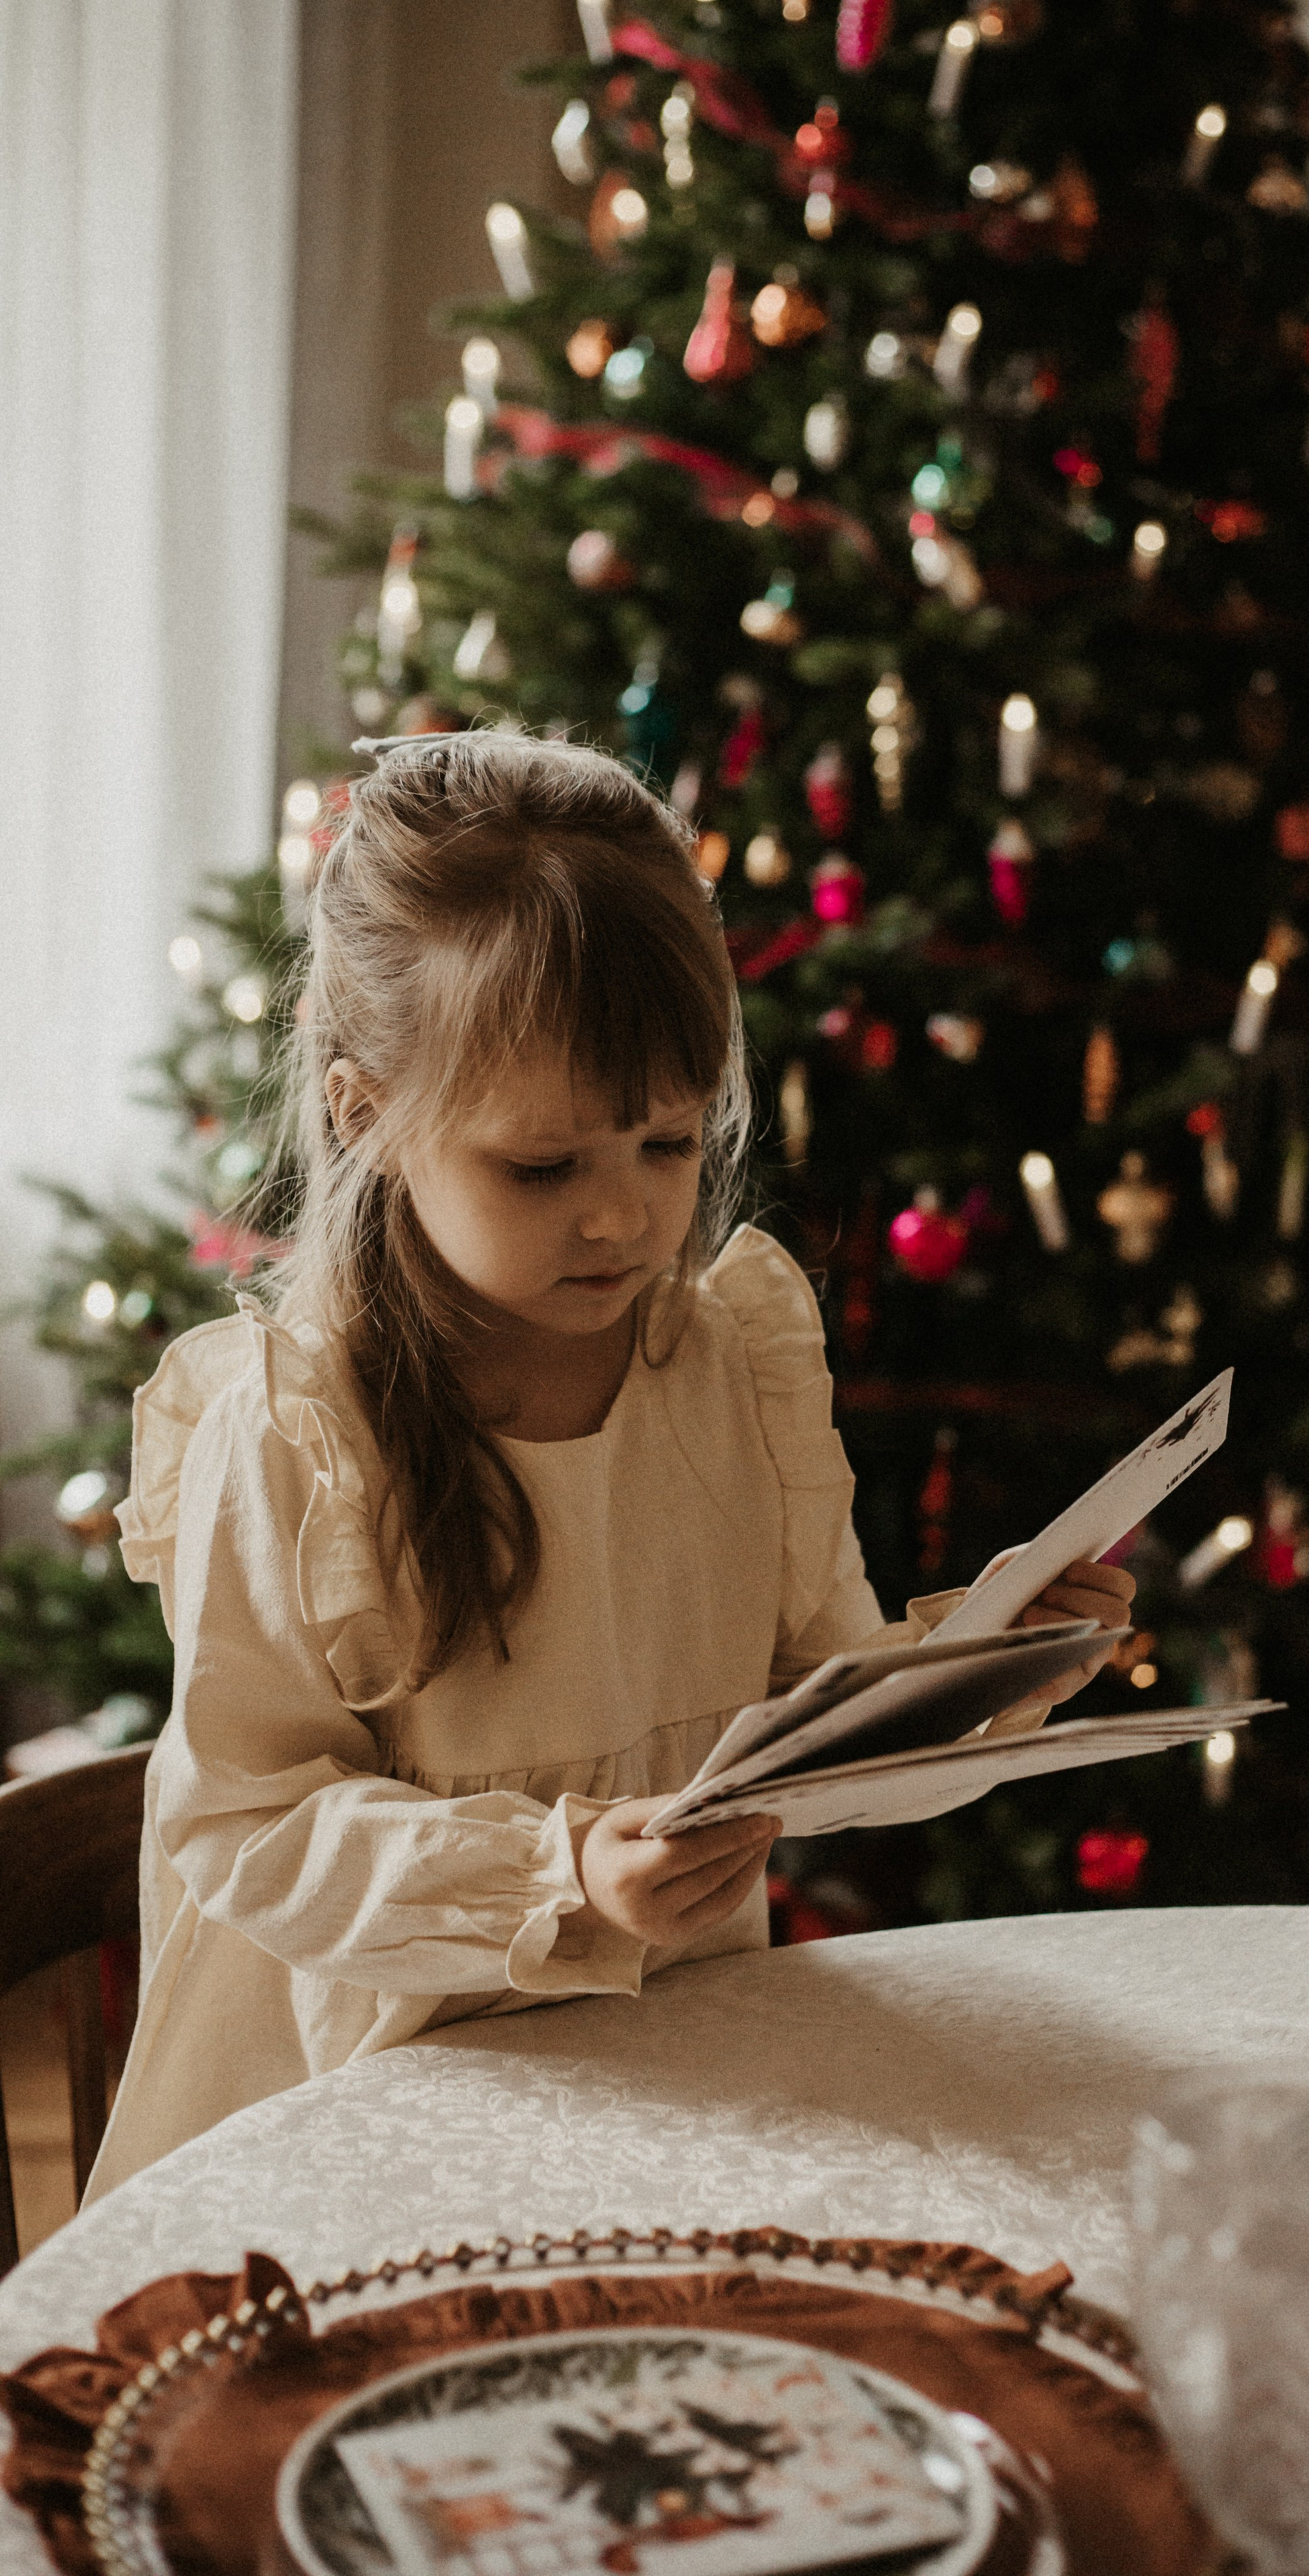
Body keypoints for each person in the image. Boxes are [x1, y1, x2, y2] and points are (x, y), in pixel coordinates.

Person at [90, 733, 1133, 2196]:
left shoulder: (730, 1364)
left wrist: (986, 1663)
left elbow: (815, 1720)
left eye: (666, 1142)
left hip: (673, 2092)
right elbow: (250, 1829)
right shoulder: (297, 1427)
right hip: (365, 2128)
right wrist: (561, 1875)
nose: (624, 1219)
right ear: (364, 1111)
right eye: (543, 1165)